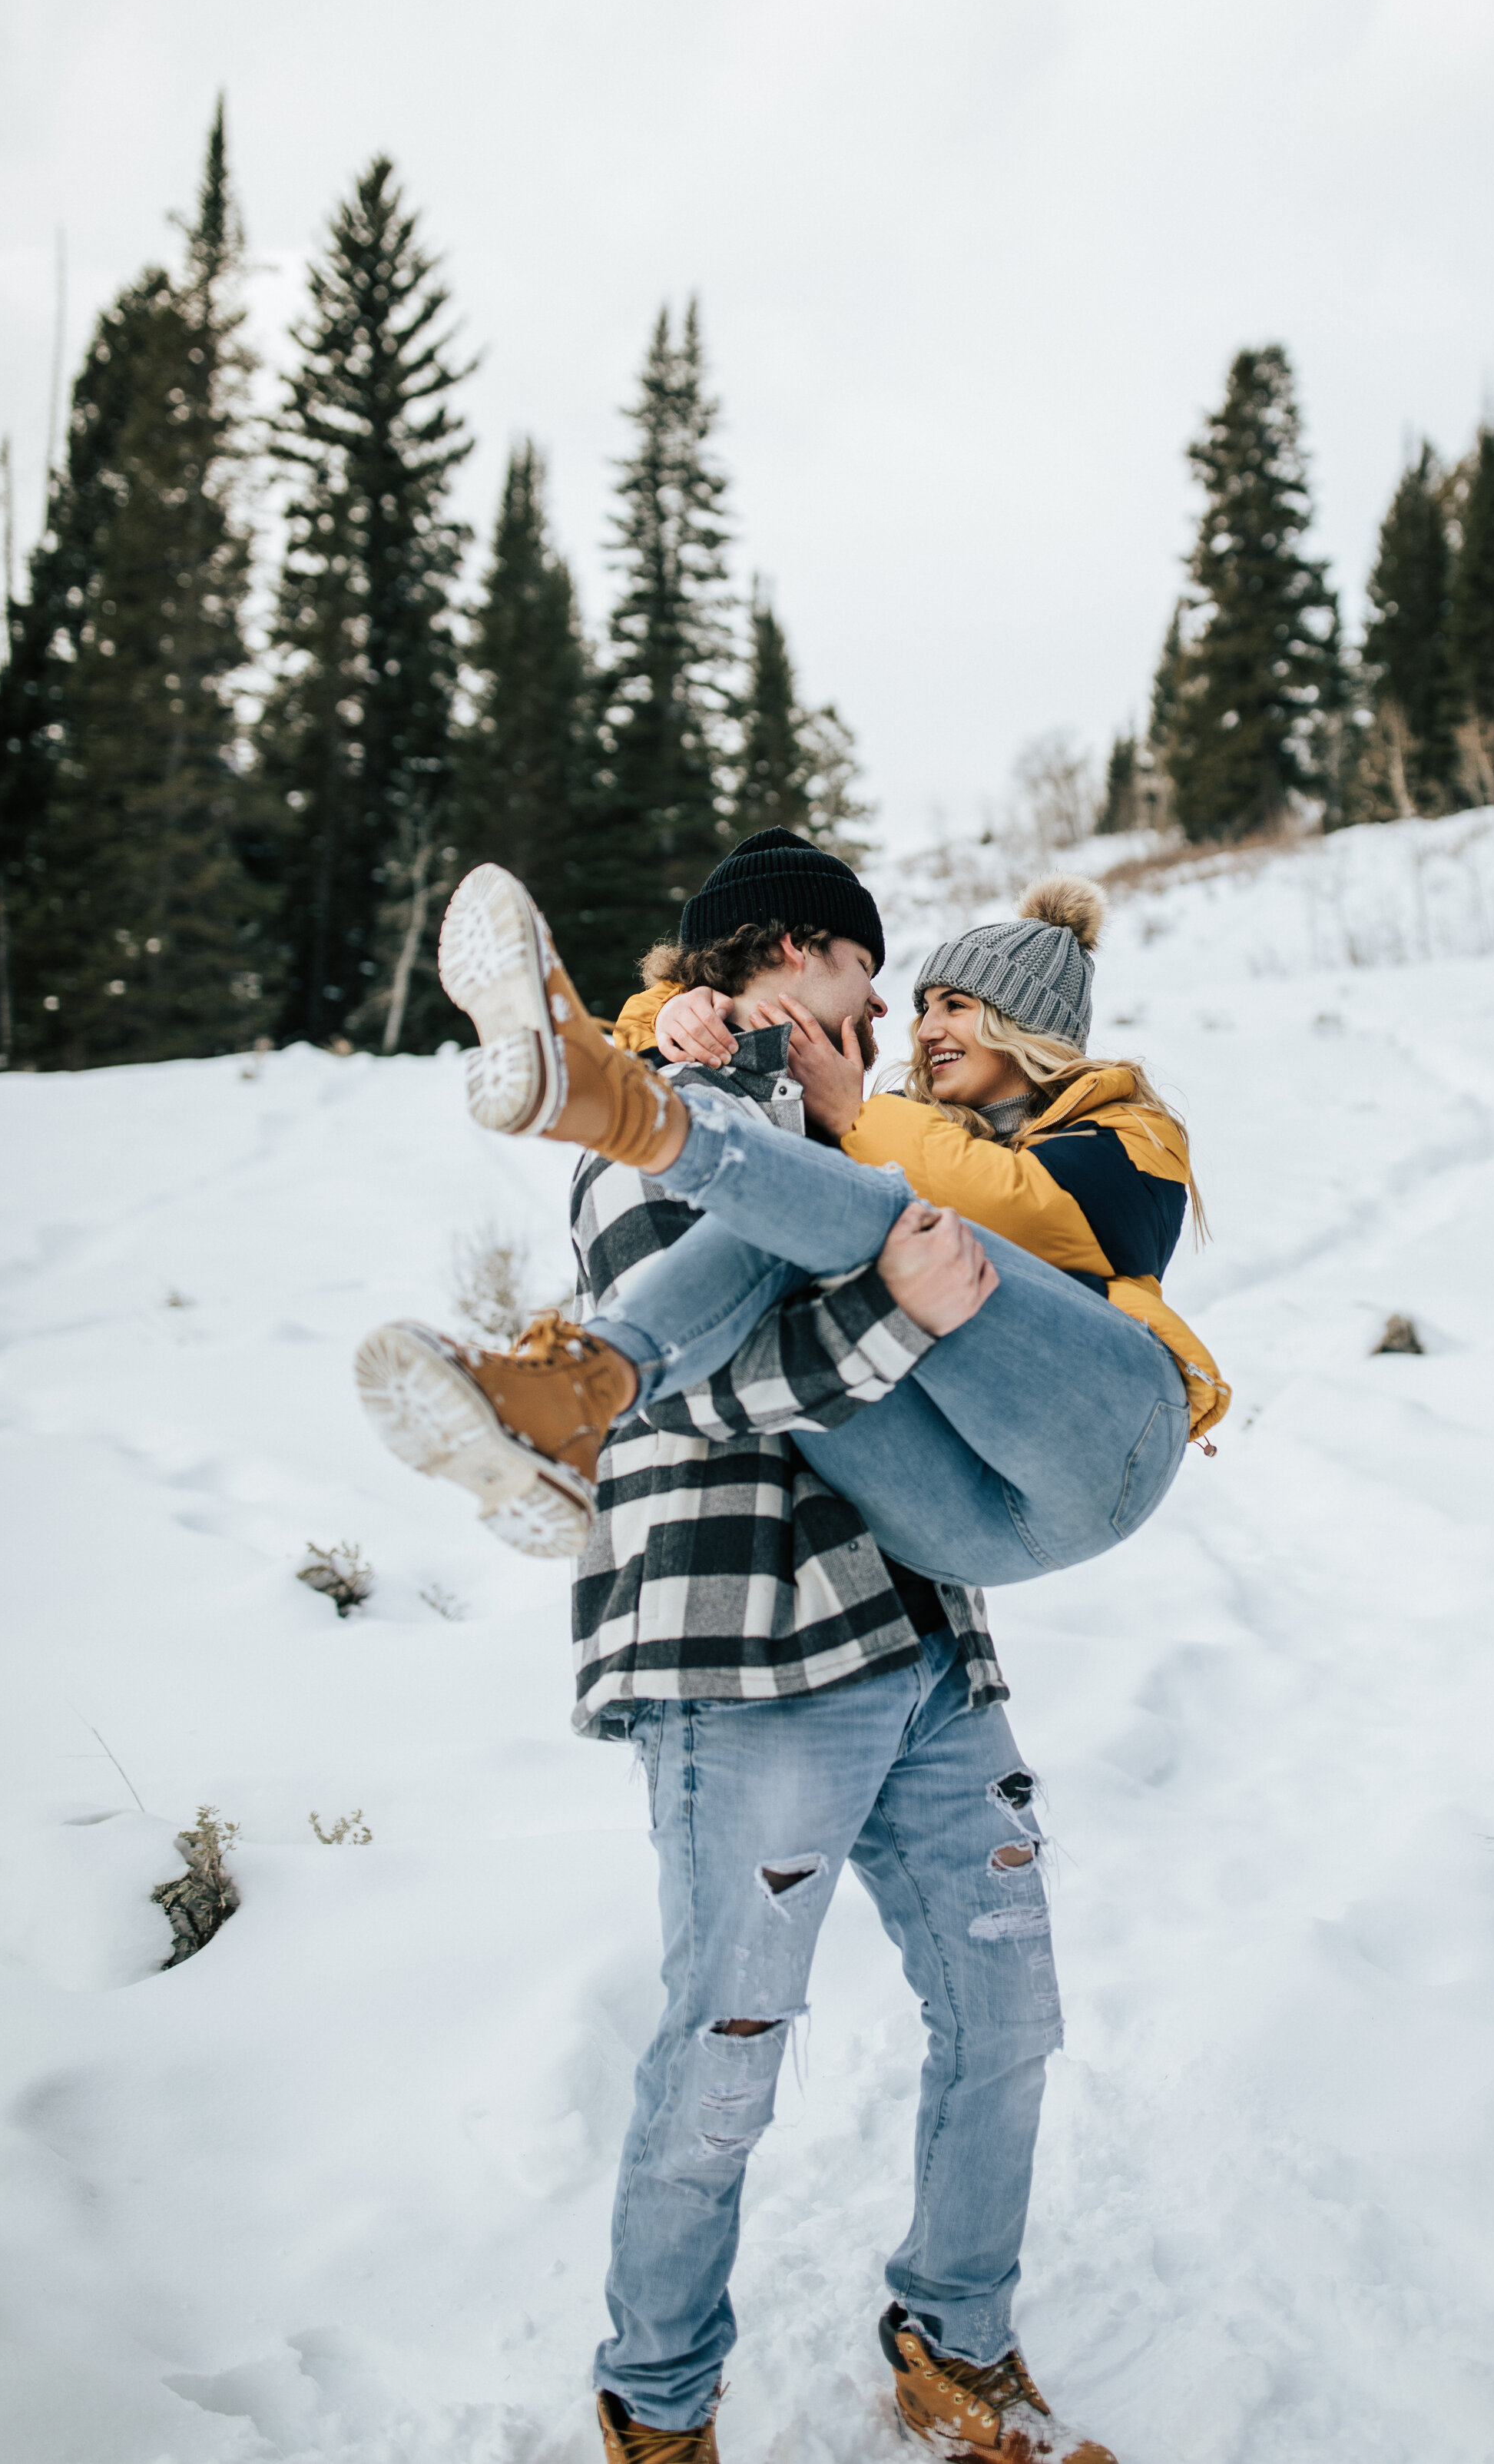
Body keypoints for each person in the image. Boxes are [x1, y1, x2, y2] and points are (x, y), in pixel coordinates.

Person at [355, 830, 1130, 2464]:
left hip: (927, 1647)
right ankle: (655, 2403)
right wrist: (898, 1311)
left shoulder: (883, 1131)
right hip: (748, 1646)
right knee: (724, 2057)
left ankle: (956, 2335)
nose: (890, 1006)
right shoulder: (683, 1119)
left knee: (1008, 2016)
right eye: (871, 967)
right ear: (802, 956)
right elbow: (714, 1393)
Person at [357, 857, 1226, 1584]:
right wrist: (673, 1016)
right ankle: (575, 1392)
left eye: (953, 1006)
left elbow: (1034, 1212)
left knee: (881, 1210)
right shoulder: (893, 1128)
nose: (917, 1027)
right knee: (803, 1210)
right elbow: (800, 1167)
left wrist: (851, 1115)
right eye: (920, 1004)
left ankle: (622, 1108)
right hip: (954, 1526)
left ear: (1025, 1025)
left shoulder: (1128, 1130)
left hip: (1107, 1444)